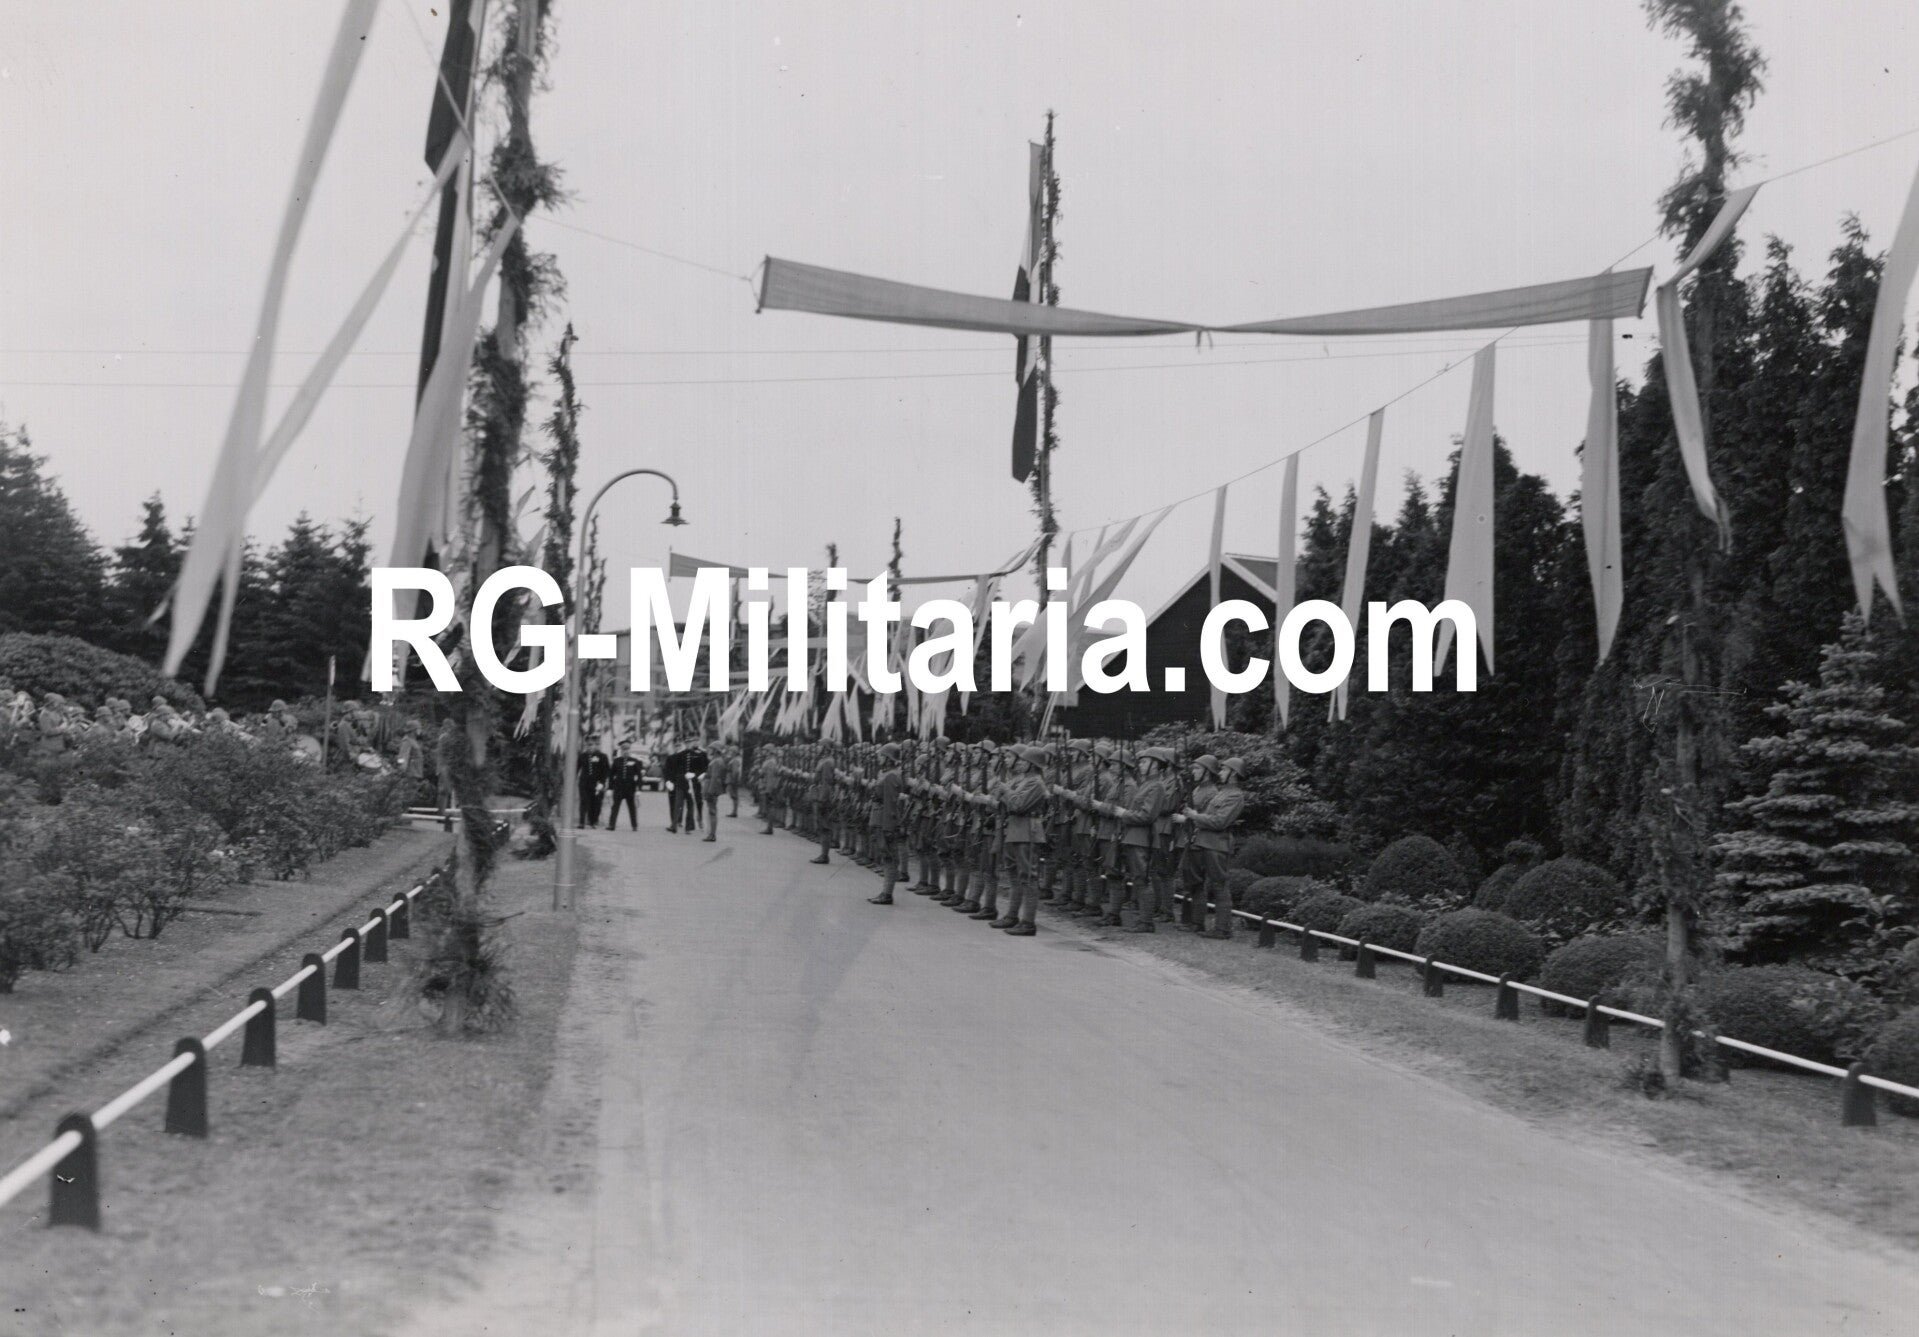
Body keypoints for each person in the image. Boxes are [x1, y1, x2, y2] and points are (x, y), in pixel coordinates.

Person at [1179, 755, 1249, 939]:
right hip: (1203, 841)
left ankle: (1222, 929)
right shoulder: (1221, 793)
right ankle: (1197, 923)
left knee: (1219, 885)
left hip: (1217, 845)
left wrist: (1195, 816)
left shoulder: (1235, 796)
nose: (1221, 772)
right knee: (1197, 883)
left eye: (1225, 769)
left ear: (1233, 774)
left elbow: (1219, 821)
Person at [989, 745, 1049, 937]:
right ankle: (1012, 915)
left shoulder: (1036, 783)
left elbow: (1018, 805)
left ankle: (1028, 922)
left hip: (1028, 831)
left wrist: (1005, 790)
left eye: (1024, 761)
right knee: (1014, 875)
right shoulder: (1023, 780)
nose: (1020, 763)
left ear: (1033, 764)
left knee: (1028, 877)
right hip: (1015, 829)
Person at [865, 742, 909, 904]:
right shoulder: (886, 774)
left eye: (881, 756)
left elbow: (891, 804)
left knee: (890, 858)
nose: (879, 758)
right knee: (887, 856)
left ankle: (887, 894)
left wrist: (888, 828)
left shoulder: (891, 776)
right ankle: (885, 892)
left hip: (885, 820)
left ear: (888, 758)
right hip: (880, 818)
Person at [606, 743, 644, 832]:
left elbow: (639, 776)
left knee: (632, 807)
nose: (626, 751)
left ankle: (634, 825)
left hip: (630, 788)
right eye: (624, 750)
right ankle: (612, 825)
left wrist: (639, 789)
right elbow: (611, 775)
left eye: (627, 749)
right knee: (615, 807)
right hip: (618, 787)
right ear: (621, 751)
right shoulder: (617, 761)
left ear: (630, 750)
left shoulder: (635, 761)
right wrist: (610, 788)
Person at [577, 741, 611, 827]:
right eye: (588, 745)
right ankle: (581, 822)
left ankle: (593, 821)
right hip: (584, 782)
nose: (590, 747)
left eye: (591, 745)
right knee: (584, 801)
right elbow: (577, 768)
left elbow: (606, 771)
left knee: (596, 803)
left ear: (595, 745)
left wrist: (602, 783)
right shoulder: (582, 756)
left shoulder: (602, 756)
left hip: (597, 783)